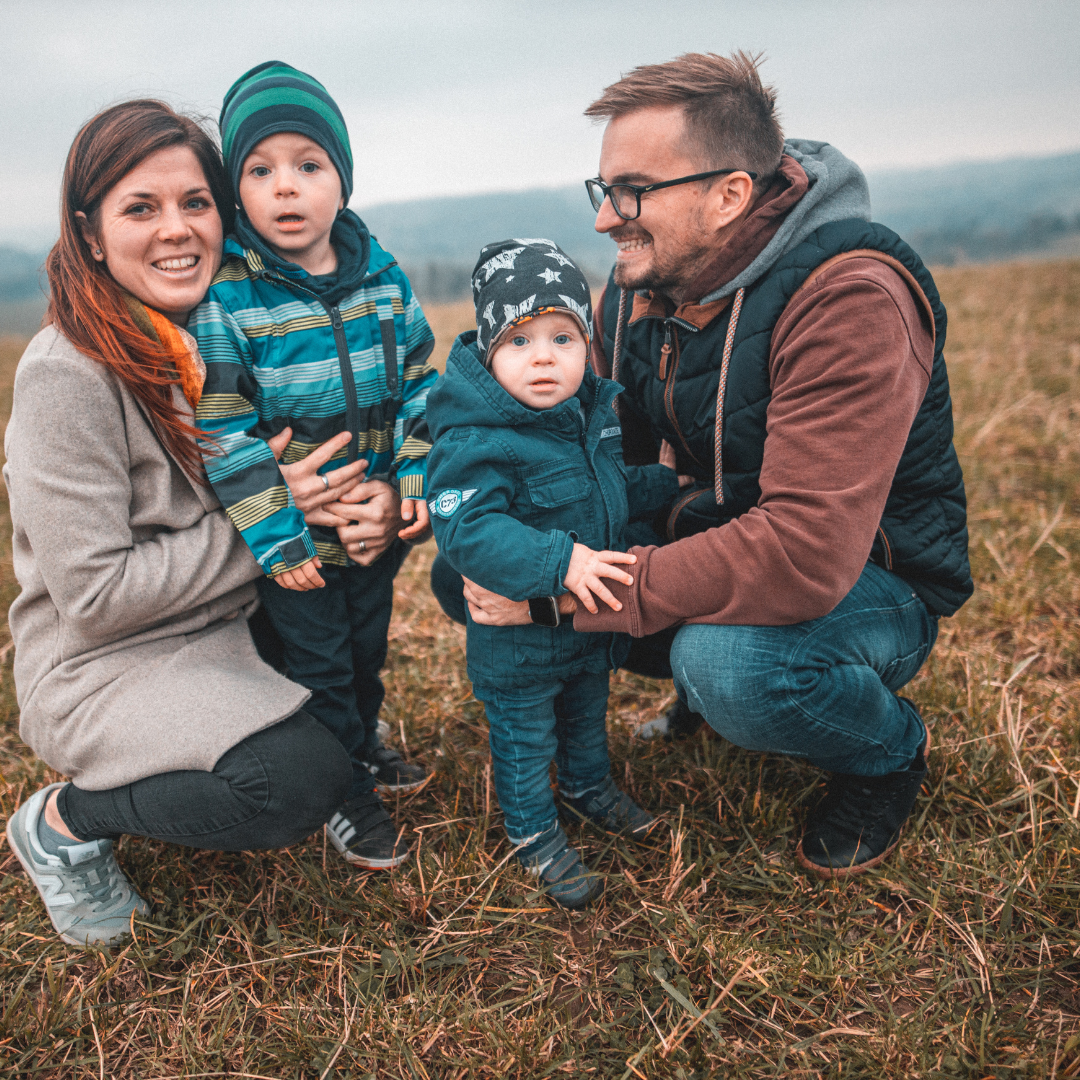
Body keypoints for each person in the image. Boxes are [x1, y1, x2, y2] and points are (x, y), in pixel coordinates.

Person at [432, 52, 972, 878]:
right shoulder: (633, 291)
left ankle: (888, 752)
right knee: (480, 564)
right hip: (711, 532)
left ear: (729, 195)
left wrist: (558, 606)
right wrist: (531, 557)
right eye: (604, 192)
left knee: (732, 665)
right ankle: (674, 700)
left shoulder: (851, 298)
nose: (610, 219)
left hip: (869, 581)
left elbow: (802, 555)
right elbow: (607, 464)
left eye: (633, 192)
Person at [3, 100, 356, 949]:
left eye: (196, 203)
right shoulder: (66, 377)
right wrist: (272, 519)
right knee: (296, 782)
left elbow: (310, 462)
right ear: (88, 233)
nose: (177, 231)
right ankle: (63, 824)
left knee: (347, 703)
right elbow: (95, 597)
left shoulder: (219, 335)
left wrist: (378, 500)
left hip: (221, 626)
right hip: (109, 662)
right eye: (140, 208)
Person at [191, 62, 437, 870]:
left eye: (308, 165)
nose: (286, 188)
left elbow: (422, 391)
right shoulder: (232, 301)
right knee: (319, 665)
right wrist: (277, 537)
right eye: (259, 171)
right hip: (295, 544)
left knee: (368, 650)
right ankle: (342, 795)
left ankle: (361, 747)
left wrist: (409, 486)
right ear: (236, 192)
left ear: (343, 178)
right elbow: (224, 432)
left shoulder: (384, 280)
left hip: (373, 530)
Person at [426, 240, 684, 907]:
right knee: (524, 738)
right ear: (488, 350)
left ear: (587, 345)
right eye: (519, 340)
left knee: (585, 715)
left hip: (584, 634)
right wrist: (560, 561)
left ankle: (589, 785)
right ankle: (533, 832)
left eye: (562, 337)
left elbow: (603, 490)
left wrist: (662, 483)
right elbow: (469, 530)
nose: (544, 356)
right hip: (517, 646)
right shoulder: (476, 436)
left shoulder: (580, 416)